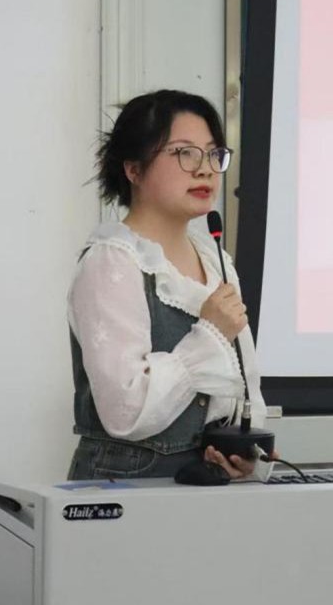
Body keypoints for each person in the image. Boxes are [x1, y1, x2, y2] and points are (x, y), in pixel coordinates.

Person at [67, 89, 272, 482]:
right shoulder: (112, 262)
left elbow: (246, 385)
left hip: (204, 484)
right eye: (184, 153)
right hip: (126, 487)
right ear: (134, 169)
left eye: (213, 154)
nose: (205, 169)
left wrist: (247, 455)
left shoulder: (215, 260)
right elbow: (125, 411)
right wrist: (210, 334)